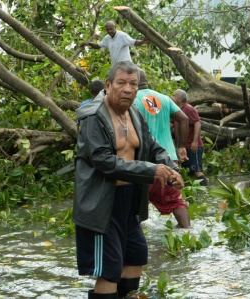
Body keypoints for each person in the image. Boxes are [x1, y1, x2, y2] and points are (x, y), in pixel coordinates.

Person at [73, 61, 184, 299]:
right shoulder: (93, 116)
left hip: (129, 200)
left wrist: (171, 168)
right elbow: (104, 161)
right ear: (109, 84)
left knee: (136, 256)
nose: (128, 89)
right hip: (102, 203)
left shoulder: (134, 112)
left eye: (133, 84)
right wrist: (151, 171)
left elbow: (152, 146)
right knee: (109, 270)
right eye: (121, 83)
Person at [134, 69, 191, 228]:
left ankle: (137, 238)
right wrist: (181, 147)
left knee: (136, 199)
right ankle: (187, 233)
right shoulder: (164, 98)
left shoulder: (131, 99)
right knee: (175, 198)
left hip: (142, 159)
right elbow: (184, 119)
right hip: (168, 157)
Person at [171, 89, 208, 186]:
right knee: (186, 170)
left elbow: (197, 123)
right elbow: (171, 123)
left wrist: (195, 142)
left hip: (192, 146)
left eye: (173, 95)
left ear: (179, 99)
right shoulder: (176, 109)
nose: (171, 97)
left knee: (197, 170)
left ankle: (206, 191)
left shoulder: (189, 108)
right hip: (183, 147)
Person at [80, 21, 149, 65]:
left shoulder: (122, 35)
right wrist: (89, 43)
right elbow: (98, 46)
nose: (109, 31)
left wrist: (142, 42)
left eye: (111, 29)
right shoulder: (107, 38)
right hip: (116, 65)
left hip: (125, 64)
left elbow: (134, 42)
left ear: (115, 27)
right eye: (107, 30)